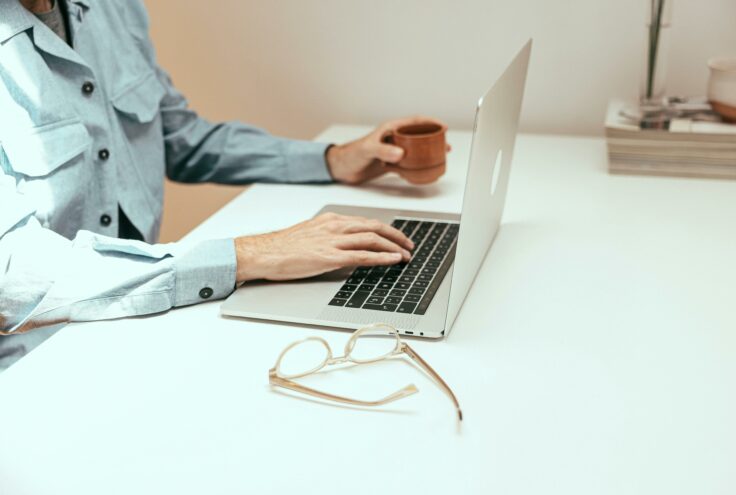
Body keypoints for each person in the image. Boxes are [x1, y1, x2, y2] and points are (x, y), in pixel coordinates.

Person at [0, 0, 448, 369]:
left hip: (147, 320)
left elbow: (178, 137)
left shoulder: (114, 8)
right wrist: (246, 256)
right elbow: (13, 276)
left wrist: (333, 161)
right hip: (37, 363)